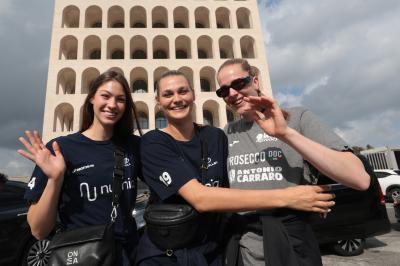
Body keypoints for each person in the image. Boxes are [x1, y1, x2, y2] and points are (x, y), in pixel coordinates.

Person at [136, 70, 336, 266]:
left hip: (211, 250)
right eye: (168, 94)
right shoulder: (153, 143)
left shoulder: (215, 137)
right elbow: (201, 198)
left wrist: (312, 194)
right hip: (168, 254)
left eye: (183, 91)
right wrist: (289, 198)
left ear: (193, 94)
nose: (177, 99)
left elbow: (238, 178)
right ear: (158, 101)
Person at [216, 58, 371, 266]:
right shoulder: (227, 133)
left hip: (292, 247)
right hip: (243, 249)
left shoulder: (297, 118)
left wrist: (285, 133)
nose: (232, 94)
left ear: (255, 81)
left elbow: (359, 179)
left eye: (238, 84)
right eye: (224, 91)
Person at [18, 70, 142, 266]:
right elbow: (39, 230)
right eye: (105, 96)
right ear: (92, 98)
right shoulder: (61, 149)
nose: (112, 105)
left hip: (128, 255)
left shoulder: (133, 147)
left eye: (120, 99)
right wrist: (55, 179)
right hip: (82, 256)